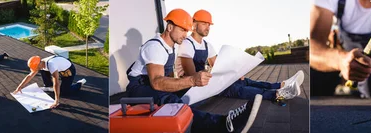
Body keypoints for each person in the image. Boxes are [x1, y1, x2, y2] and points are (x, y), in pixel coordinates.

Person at [125, 9, 261, 132]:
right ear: (170, 27)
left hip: (151, 84)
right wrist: (191, 80)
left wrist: (186, 85)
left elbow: (169, 77)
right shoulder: (155, 47)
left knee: (189, 93)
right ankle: (223, 124)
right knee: (170, 100)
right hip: (138, 88)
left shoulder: (171, 46)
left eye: (187, 31)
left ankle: (188, 119)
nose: (185, 35)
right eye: (183, 30)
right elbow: (157, 83)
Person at [177, 9, 305, 102]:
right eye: (204, 23)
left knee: (243, 80)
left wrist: (235, 73)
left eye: (209, 24)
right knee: (236, 89)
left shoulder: (207, 45)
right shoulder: (187, 45)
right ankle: (279, 94)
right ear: (194, 25)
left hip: (206, 82)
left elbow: (218, 66)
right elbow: (192, 75)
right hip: (194, 89)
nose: (208, 27)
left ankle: (281, 84)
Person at [13, 55, 87, 108]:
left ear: (39, 64)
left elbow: (56, 83)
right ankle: (48, 86)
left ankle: (79, 83)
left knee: (65, 92)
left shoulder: (51, 65)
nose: (35, 70)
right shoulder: (40, 63)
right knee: (43, 71)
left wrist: (56, 100)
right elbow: (30, 76)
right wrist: (19, 87)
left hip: (68, 71)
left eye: (36, 68)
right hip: (59, 68)